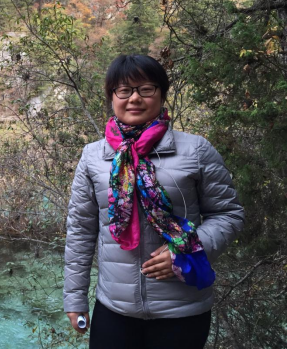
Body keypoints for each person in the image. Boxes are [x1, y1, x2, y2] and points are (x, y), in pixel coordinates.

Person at [63, 55, 245, 349]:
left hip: (182, 310)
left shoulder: (196, 151)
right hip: (114, 309)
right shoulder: (93, 157)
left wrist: (184, 250)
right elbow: (81, 231)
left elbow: (228, 214)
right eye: (124, 90)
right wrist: (74, 297)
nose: (134, 98)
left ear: (161, 94)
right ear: (112, 96)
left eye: (146, 89)